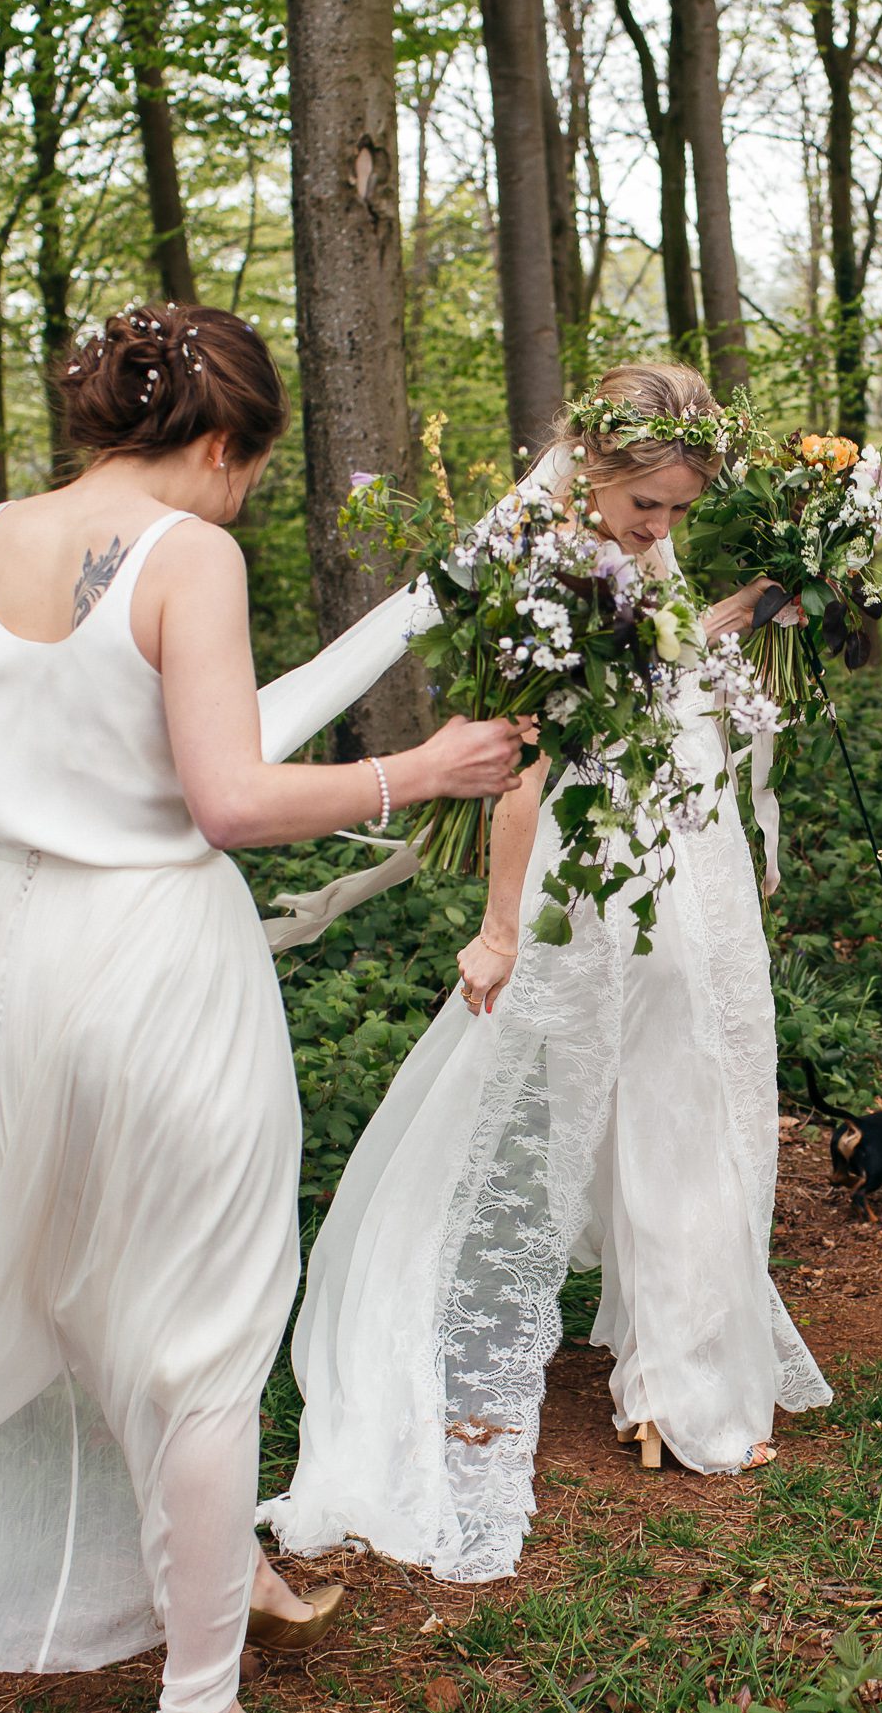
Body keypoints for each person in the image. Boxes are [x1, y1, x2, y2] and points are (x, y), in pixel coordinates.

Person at [0, 306, 524, 1713]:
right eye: (252, 472)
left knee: (86, 1284)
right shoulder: (192, 559)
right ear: (224, 444)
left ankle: (221, 1567)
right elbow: (229, 802)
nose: (244, 501)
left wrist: (19, 935)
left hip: (4, 953)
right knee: (211, 1322)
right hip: (160, 959)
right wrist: (417, 772)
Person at [270, 363, 832, 1587]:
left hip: (685, 842)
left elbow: (674, 653)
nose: (662, 531)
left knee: (693, 1072)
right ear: (595, 467)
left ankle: (679, 1370)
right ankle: (477, 1333)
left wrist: (765, 596)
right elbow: (518, 759)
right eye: (650, 509)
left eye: (682, 512)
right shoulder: (545, 573)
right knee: (549, 1075)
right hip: (596, 859)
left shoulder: (645, 553)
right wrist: (501, 926)